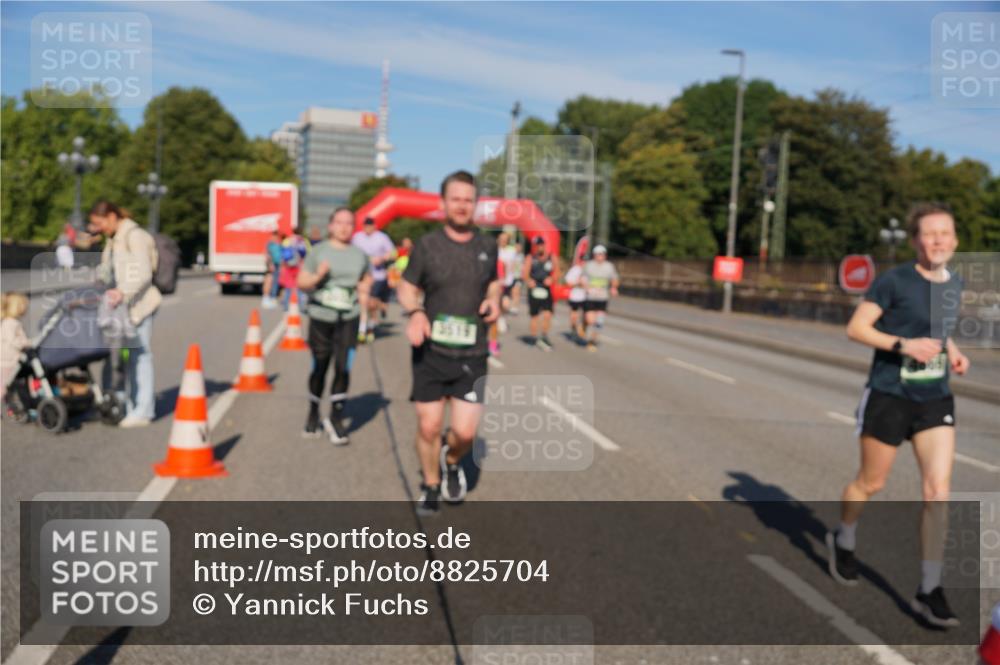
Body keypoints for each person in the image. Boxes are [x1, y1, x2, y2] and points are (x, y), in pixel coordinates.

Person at [827, 203, 969, 628]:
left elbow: (940, 329)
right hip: (890, 394)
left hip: (934, 398)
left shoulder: (955, 284)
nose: (938, 240)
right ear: (915, 241)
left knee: (937, 491)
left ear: (956, 241)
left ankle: (929, 589)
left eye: (945, 233)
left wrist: (954, 351)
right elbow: (857, 328)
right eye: (929, 234)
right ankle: (845, 537)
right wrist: (903, 346)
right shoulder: (894, 281)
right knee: (872, 481)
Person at [398, 170, 501, 516]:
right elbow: (407, 286)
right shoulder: (427, 246)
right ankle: (430, 484)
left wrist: (494, 299)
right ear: (443, 202)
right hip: (431, 351)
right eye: (455, 199)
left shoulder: (488, 245)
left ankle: (452, 460)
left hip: (472, 354)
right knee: (428, 426)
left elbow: (494, 283)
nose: (462, 205)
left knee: (465, 432)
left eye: (468, 200)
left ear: (476, 205)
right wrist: (415, 312)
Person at [297, 208, 372, 444]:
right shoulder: (318, 252)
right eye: (339, 222)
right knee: (320, 365)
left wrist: (365, 295)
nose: (344, 227)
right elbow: (302, 282)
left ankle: (336, 417)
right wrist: (318, 276)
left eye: (349, 223)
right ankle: (313, 412)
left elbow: (366, 280)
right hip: (321, 315)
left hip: (348, 317)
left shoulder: (360, 255)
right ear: (331, 226)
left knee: (343, 368)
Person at [90, 200, 162, 428]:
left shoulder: (134, 236)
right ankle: (130, 404)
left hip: (139, 307)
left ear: (112, 216)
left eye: (100, 223)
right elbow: (108, 271)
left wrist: (122, 292)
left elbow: (143, 272)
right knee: (126, 357)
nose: (99, 228)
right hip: (123, 309)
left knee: (140, 356)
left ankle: (143, 410)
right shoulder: (114, 240)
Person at [352, 217, 396, 344]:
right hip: (361, 276)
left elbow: (393, 252)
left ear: (374, 226)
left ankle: (370, 327)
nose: (368, 229)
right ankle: (362, 331)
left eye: (370, 226)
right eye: (365, 226)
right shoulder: (357, 237)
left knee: (372, 304)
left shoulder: (382, 237)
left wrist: (382, 258)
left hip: (378, 276)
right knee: (363, 303)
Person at [522, 236, 558, 351]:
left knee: (547, 315)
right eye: (537, 245)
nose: (539, 247)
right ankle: (533, 337)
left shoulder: (551, 257)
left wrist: (552, 279)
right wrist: (529, 281)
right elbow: (525, 273)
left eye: (541, 245)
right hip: (535, 289)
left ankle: (544, 336)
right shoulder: (530, 258)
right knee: (535, 316)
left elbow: (557, 272)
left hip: (545, 289)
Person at [582, 245, 619, 352]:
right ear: (594, 255)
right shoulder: (589, 265)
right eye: (598, 254)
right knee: (590, 320)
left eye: (602, 254)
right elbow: (583, 278)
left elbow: (614, 279)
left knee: (599, 321)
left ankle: (592, 341)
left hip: (603, 297)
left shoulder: (609, 266)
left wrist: (613, 287)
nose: (600, 256)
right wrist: (586, 287)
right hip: (591, 297)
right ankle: (585, 325)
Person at [1, 292, 30, 403]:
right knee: (5, 386)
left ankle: (12, 407)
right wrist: (25, 344)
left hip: (11, 359)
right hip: (8, 360)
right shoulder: (10, 323)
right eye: (23, 306)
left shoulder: (12, 322)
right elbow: (12, 340)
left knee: (11, 385)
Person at [280, 231, 307, 310]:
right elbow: (304, 253)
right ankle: (301, 306)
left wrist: (283, 265)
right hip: (298, 266)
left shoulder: (288, 240)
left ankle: (285, 305)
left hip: (288, 267)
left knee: (288, 287)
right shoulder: (301, 240)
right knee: (298, 286)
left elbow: (283, 253)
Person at [563, 257, 588, 343]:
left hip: (586, 297)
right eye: (583, 260)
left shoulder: (589, 270)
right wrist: (578, 283)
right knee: (574, 316)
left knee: (586, 316)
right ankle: (574, 330)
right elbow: (568, 282)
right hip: (575, 296)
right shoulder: (575, 269)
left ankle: (582, 330)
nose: (584, 262)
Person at [262, 230, 283, 309]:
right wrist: (270, 264)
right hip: (272, 265)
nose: (275, 238)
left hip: (277, 264)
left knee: (275, 281)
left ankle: (272, 297)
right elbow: (267, 254)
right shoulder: (270, 244)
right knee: (269, 281)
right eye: (274, 236)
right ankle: (266, 298)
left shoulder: (278, 244)